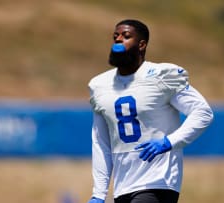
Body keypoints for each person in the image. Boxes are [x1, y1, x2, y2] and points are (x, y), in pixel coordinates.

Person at [87, 19, 214, 203]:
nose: (119, 40)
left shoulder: (161, 76)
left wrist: (169, 142)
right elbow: (101, 142)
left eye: (126, 36)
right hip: (123, 185)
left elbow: (203, 112)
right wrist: (99, 193)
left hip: (158, 181)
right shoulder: (100, 85)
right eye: (115, 36)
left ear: (142, 44)